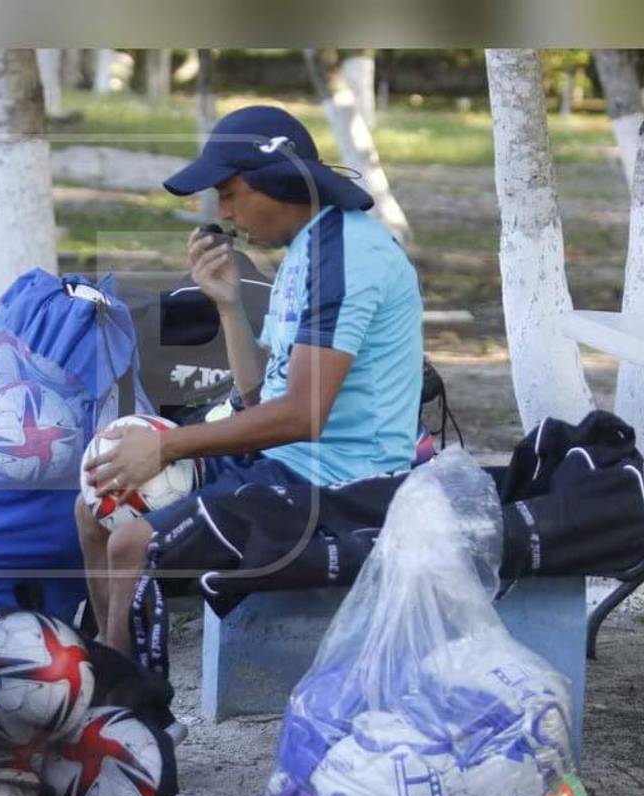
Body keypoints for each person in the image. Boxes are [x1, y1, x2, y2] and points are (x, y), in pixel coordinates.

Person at [77, 105, 423, 654]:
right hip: (286, 462)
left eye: (230, 192)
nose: (223, 212)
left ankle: (124, 703)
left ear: (276, 181)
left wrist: (167, 446)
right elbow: (262, 398)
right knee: (99, 491)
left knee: (135, 544)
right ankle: (106, 661)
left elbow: (301, 416)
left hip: (344, 486)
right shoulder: (308, 249)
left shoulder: (345, 257)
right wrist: (228, 306)